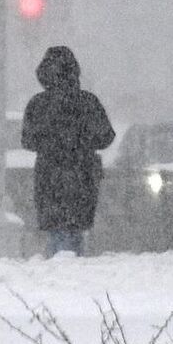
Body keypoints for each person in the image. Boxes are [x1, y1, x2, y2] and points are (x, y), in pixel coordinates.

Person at [20, 44, 115, 257]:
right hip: (82, 173)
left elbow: (27, 140)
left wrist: (51, 143)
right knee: (74, 229)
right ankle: (72, 265)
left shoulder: (38, 104)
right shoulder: (88, 102)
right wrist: (81, 141)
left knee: (57, 229)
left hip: (49, 174)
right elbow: (106, 136)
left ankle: (59, 265)